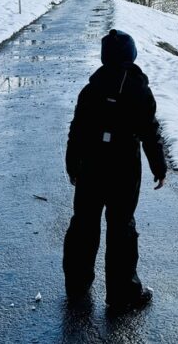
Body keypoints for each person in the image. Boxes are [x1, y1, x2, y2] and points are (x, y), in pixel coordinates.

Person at [64, 28, 167, 314]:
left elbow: (77, 130)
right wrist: (158, 166)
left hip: (90, 165)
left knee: (83, 223)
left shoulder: (90, 89)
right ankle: (123, 293)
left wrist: (72, 163)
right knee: (122, 226)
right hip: (123, 167)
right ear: (131, 56)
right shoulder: (140, 91)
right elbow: (149, 133)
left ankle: (77, 284)